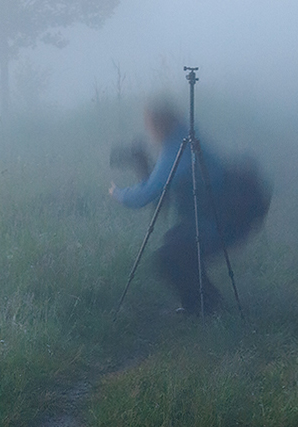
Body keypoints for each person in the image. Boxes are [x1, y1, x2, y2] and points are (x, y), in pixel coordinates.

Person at [110, 98, 268, 315]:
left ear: (158, 122)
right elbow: (164, 186)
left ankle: (205, 308)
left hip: (219, 223)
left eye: (149, 123)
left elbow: (149, 194)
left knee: (170, 255)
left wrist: (118, 193)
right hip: (223, 216)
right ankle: (204, 304)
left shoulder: (178, 145)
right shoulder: (186, 133)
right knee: (176, 244)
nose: (148, 129)